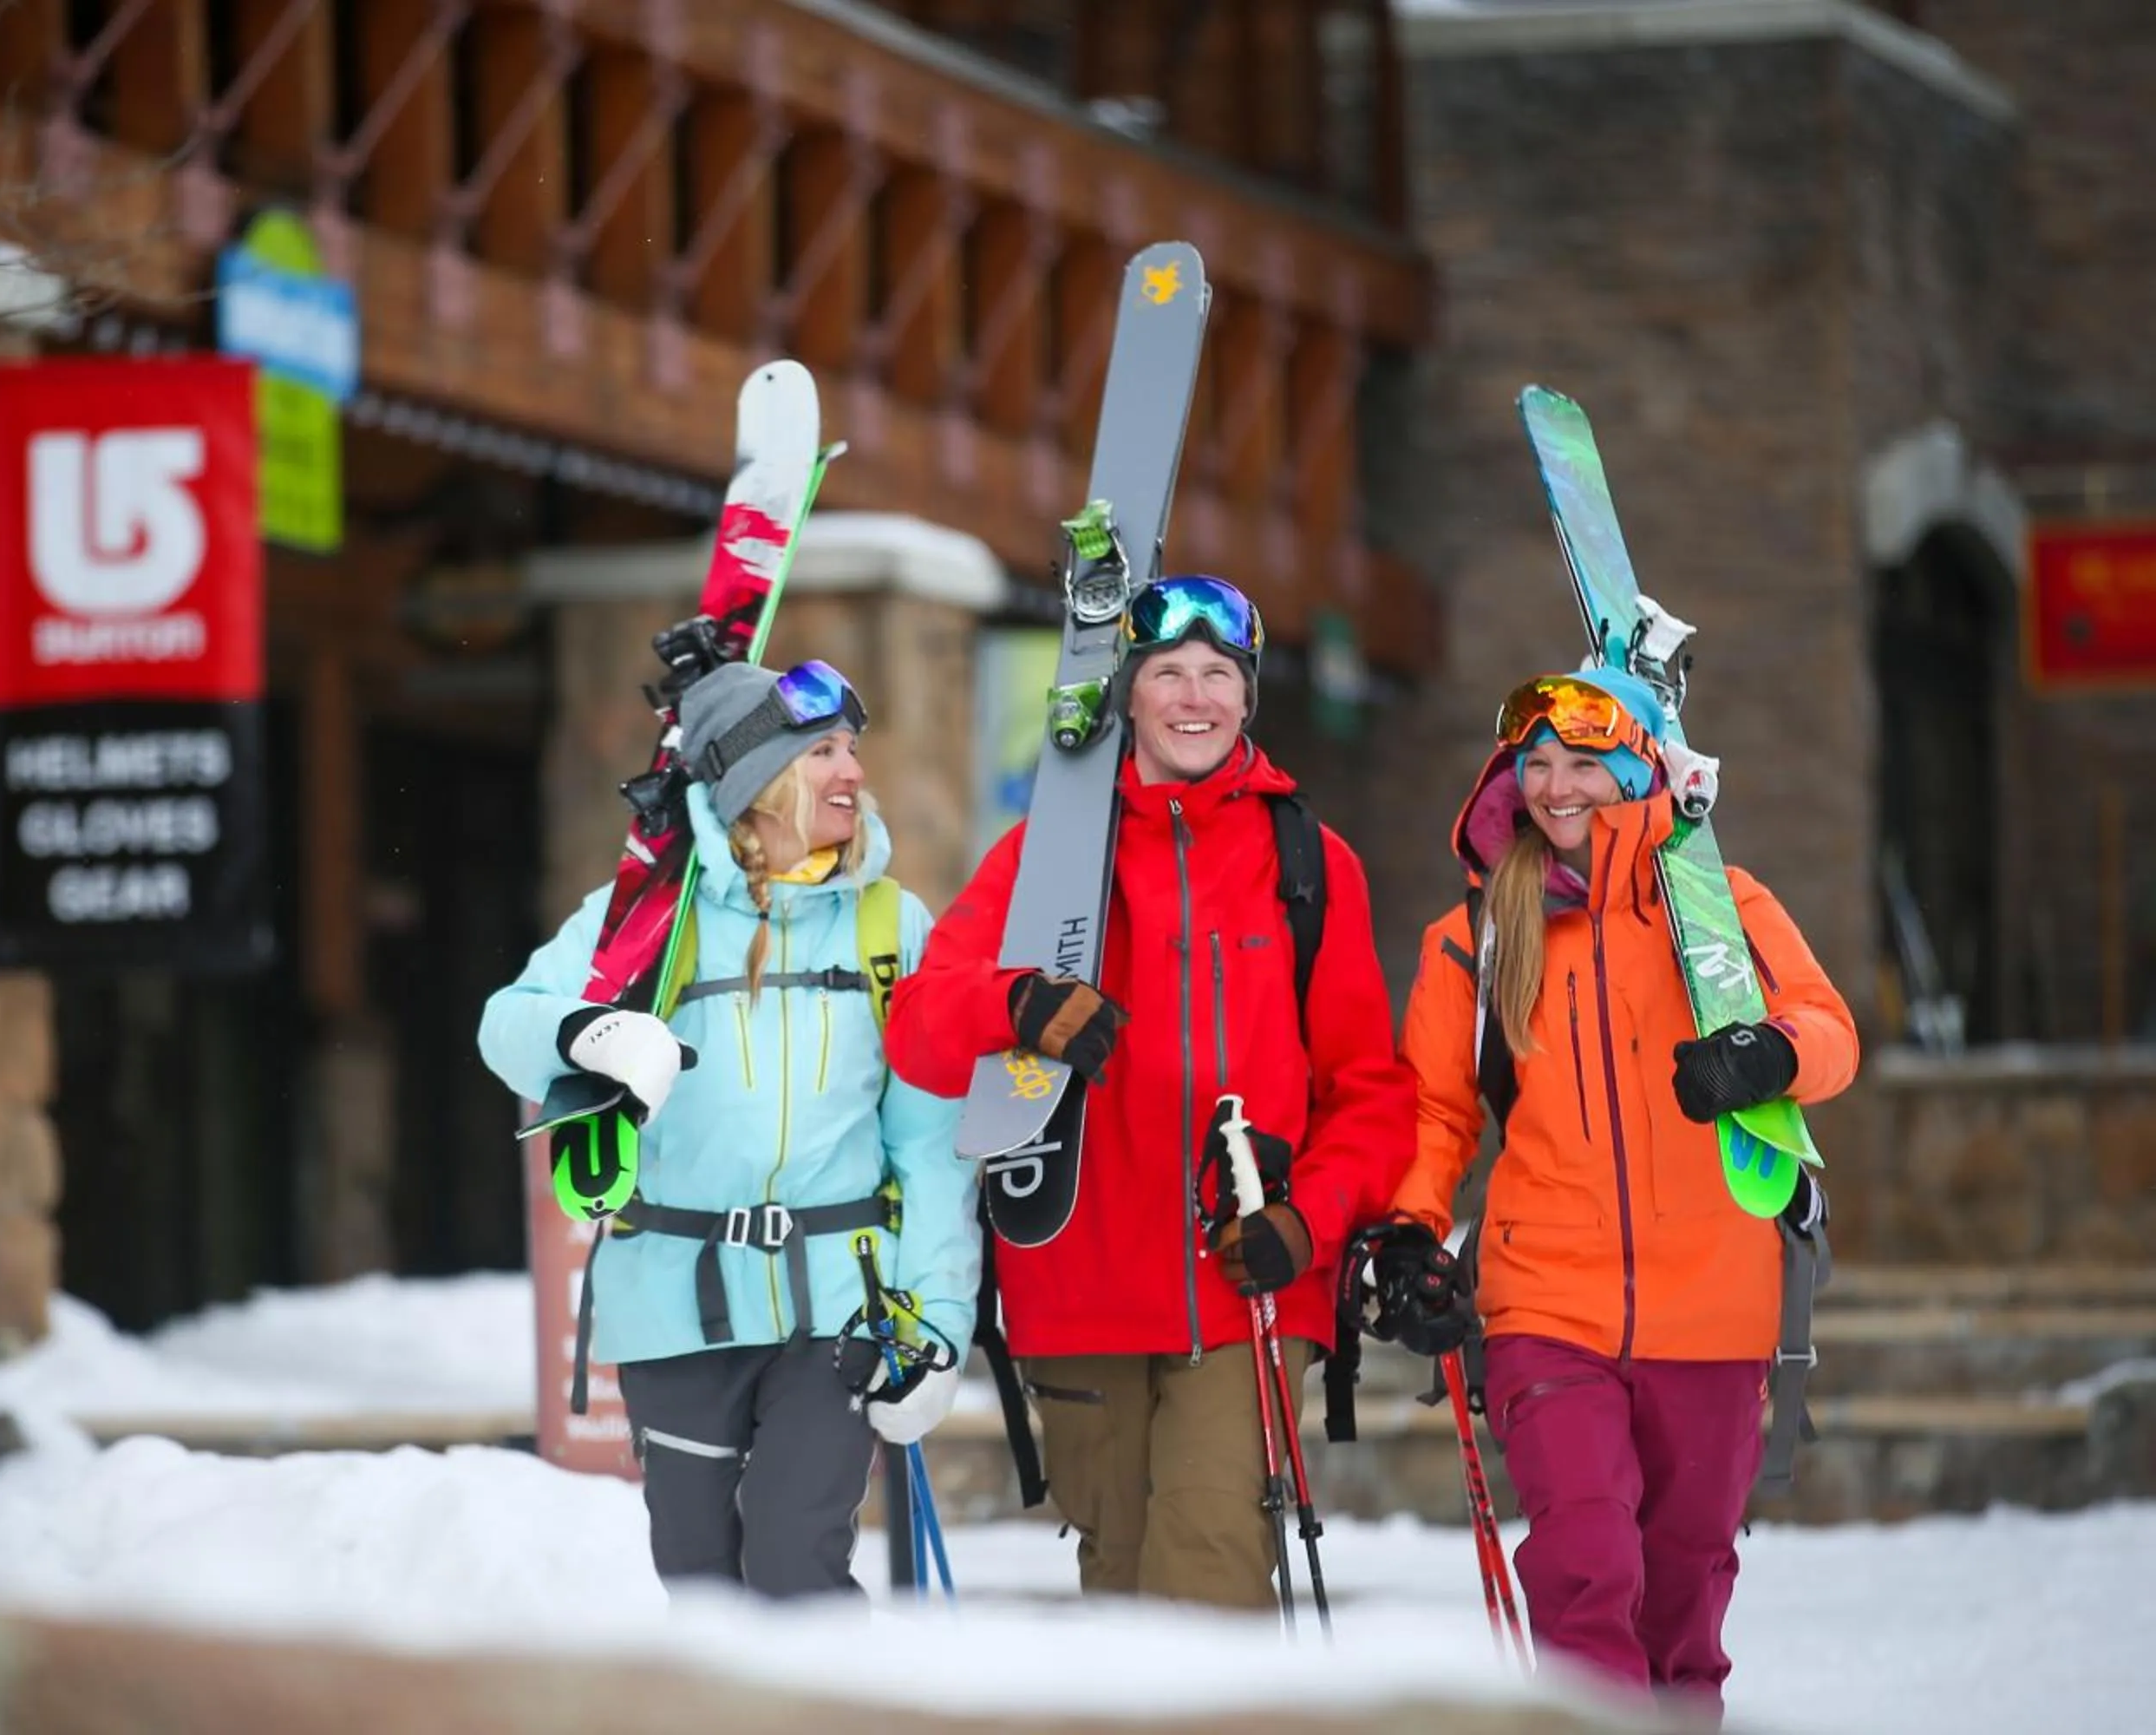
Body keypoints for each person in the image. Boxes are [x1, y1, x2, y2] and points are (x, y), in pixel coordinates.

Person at [883, 574, 1415, 1612]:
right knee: (1122, 1597)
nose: (1194, 695)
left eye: (1219, 672)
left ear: (1249, 695)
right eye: (1167, 671)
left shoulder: (1310, 861)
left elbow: (1371, 1090)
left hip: (1248, 1279)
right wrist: (1021, 1002)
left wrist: (1311, 1222)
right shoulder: (1050, 856)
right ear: (1127, 694)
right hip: (1080, 1286)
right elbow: (920, 1028)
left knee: (1210, 1573)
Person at [1363, 667, 1857, 1718]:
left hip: (1715, 1304)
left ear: (1637, 773)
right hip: (1547, 1302)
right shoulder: (1476, 936)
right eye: (1535, 765)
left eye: (1585, 762)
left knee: (1683, 1600)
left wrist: (1767, 1055)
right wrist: (1408, 1232)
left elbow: (1831, 1029)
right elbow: (1435, 1114)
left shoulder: (1719, 908)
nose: (1557, 786)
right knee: (1590, 1566)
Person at [479, 659, 977, 1600]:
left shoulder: (889, 924)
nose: (853, 773)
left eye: (852, 749)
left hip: (840, 1303)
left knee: (795, 1558)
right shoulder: (645, 916)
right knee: (703, 1583)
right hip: (676, 1304)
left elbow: (930, 1139)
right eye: (824, 751)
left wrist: (941, 1323)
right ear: (757, 778)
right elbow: (505, 1025)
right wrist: (585, 1031)